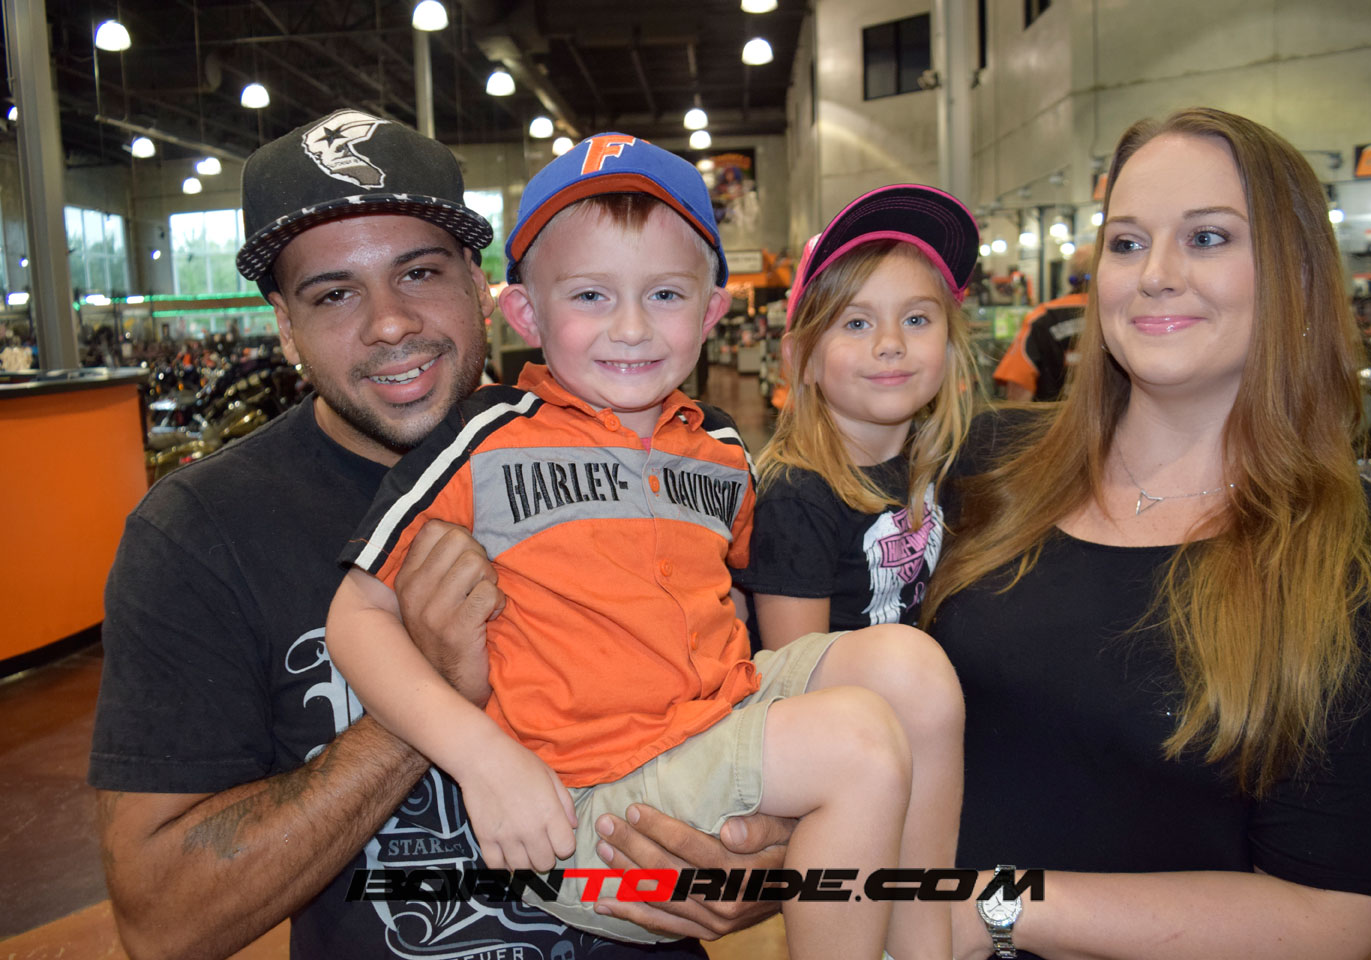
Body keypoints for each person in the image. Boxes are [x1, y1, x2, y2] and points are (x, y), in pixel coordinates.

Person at [88, 110, 789, 960]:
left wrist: (766, 856)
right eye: (334, 293)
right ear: (285, 325)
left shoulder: (674, 455)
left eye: (419, 273)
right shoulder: (200, 532)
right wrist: (432, 697)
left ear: (483, 289)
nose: (389, 324)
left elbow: (756, 728)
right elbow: (163, 921)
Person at [327, 135, 965, 960]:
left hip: (707, 729)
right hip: (587, 808)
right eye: (591, 295)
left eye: (664, 294)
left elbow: (739, 602)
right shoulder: (486, 439)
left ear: (710, 313)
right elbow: (356, 616)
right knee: (857, 745)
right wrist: (478, 757)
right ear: (524, 314)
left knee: (913, 670)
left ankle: (928, 945)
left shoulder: (720, 450)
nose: (631, 328)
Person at [923, 106, 1371, 960]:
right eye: (1127, 243)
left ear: (1295, 273)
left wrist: (992, 907)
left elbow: (1332, 916)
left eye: (1207, 238)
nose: (1156, 275)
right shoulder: (989, 466)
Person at [733, 185, 981, 647]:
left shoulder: (943, 461)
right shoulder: (797, 498)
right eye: (857, 323)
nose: (891, 343)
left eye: (916, 319)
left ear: (949, 345)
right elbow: (796, 670)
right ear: (802, 360)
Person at [992, 244, 1093, 401]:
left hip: (1053, 414)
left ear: (1070, 275)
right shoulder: (1119, 317)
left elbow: (1019, 384)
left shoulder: (1042, 317)